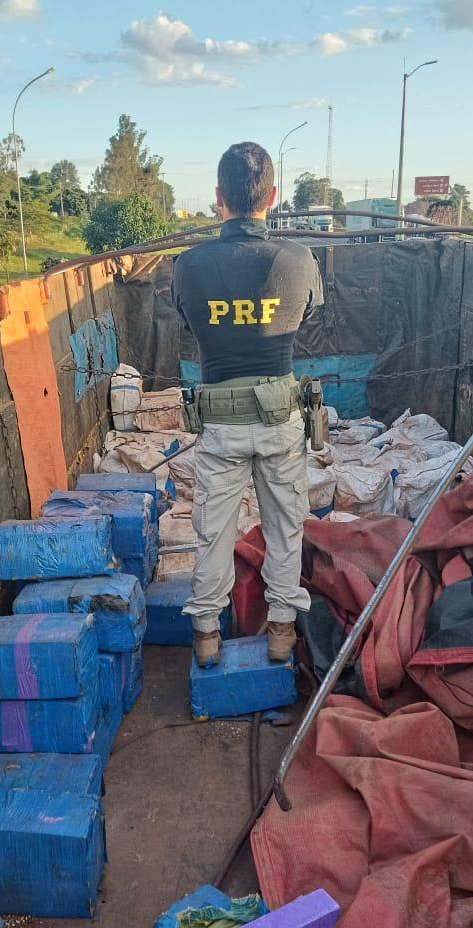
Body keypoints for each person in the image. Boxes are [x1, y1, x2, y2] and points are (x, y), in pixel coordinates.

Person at [171, 141, 324, 668]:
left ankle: (208, 638)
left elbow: (193, 326)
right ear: (274, 196)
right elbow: (305, 318)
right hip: (281, 420)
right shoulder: (300, 260)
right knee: (286, 528)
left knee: (213, 533)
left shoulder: (188, 266)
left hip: (219, 426)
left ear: (219, 198)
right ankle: (281, 634)